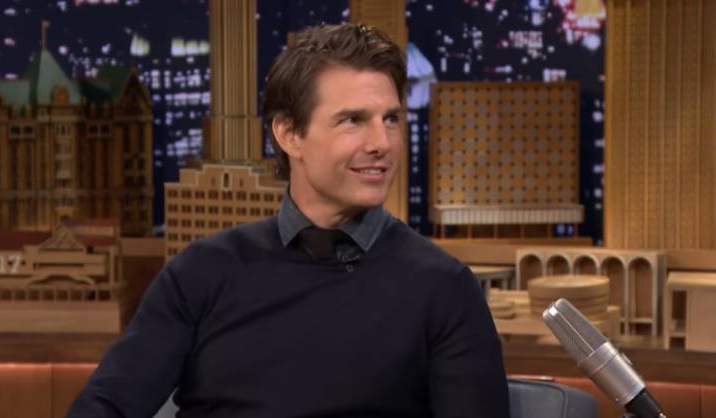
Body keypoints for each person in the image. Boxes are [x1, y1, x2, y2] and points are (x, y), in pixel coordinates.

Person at [66, 23, 509, 418]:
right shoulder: (202, 273)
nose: (382, 142)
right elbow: (106, 406)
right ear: (289, 133)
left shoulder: (444, 290)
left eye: (391, 119)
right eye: (353, 120)